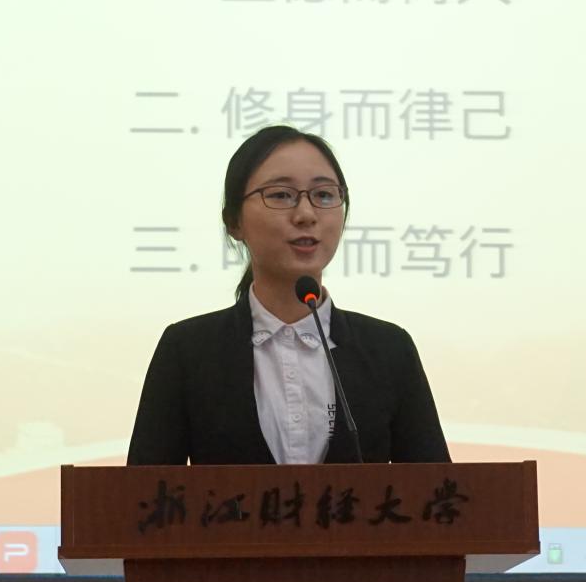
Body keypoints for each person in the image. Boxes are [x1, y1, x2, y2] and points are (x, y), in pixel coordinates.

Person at [126, 126, 451, 465]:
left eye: (324, 195)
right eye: (281, 195)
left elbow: (439, 488)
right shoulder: (187, 350)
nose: (306, 215)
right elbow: (143, 490)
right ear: (234, 222)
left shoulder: (389, 349)